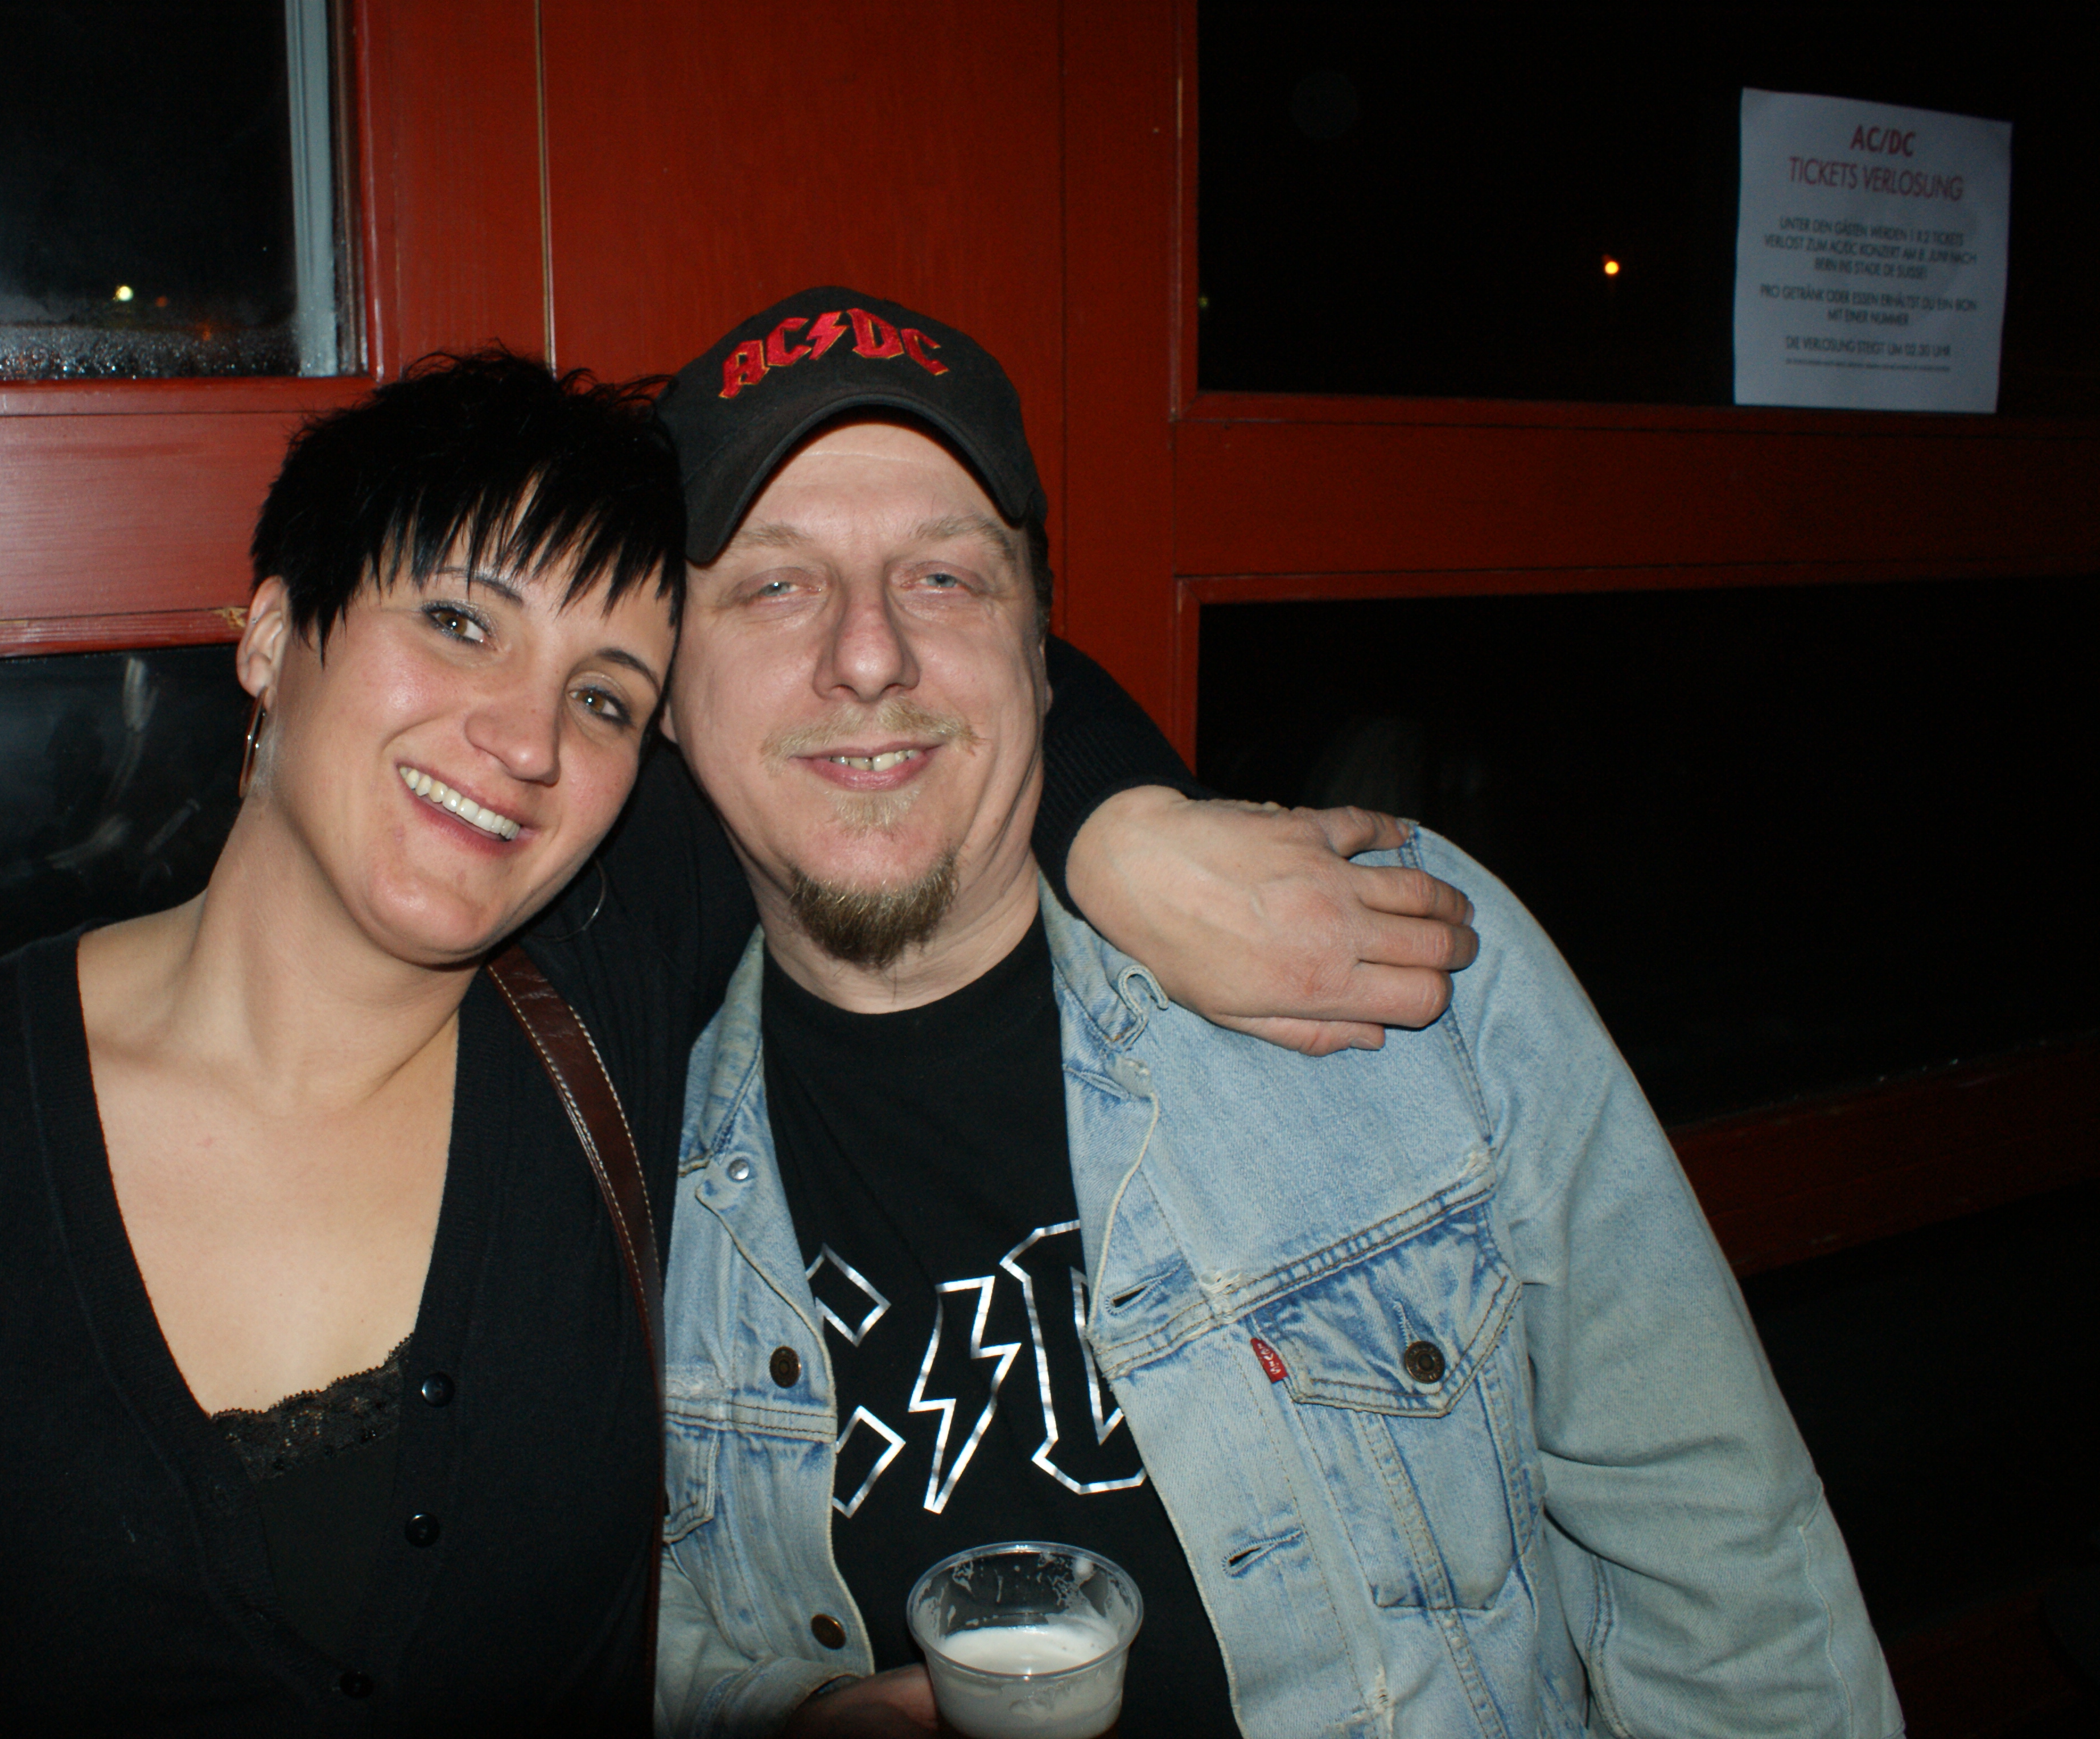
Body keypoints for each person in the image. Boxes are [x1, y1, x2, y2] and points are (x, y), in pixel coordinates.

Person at [0, 349, 1473, 1734]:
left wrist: (1129, 838)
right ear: (273, 634)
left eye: (606, 695)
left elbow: (930, 683)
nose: (525, 741)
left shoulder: (610, 992)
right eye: (457, 623)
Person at [648, 290, 1901, 1737]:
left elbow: (1720, 1552)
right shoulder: (613, 1161)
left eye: (943, 576)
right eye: (775, 585)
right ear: (666, 683)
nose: (869, 655)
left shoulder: (1399, 964)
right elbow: (591, 1631)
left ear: (1042, 653)